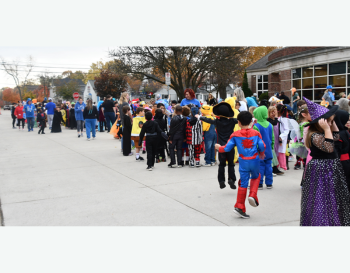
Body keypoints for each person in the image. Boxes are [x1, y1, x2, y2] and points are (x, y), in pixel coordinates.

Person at [301, 97, 350, 226]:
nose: (330, 123)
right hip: (321, 168)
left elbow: (336, 138)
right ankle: (322, 223)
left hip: (330, 167)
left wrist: (333, 126)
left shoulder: (324, 132)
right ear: (320, 123)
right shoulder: (315, 135)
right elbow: (329, 148)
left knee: (332, 197)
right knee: (322, 198)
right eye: (328, 121)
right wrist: (328, 129)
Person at [215, 111, 266, 219]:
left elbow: (227, 148)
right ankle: (252, 194)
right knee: (256, 177)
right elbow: (262, 146)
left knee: (243, 183)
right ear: (251, 121)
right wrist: (260, 152)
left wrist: (218, 147)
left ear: (238, 122)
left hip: (243, 161)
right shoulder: (256, 133)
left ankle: (240, 206)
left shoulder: (235, 135)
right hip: (255, 160)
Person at [196, 102, 238, 189]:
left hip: (221, 146)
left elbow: (208, 120)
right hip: (230, 145)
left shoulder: (217, 122)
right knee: (231, 164)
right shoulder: (232, 121)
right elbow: (241, 119)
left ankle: (221, 180)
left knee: (222, 164)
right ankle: (231, 179)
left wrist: (200, 117)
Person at [253, 106, 274, 189]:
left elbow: (255, 139)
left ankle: (260, 183)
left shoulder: (256, 126)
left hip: (259, 151)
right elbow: (272, 138)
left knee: (260, 167)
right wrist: (271, 146)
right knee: (269, 167)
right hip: (268, 149)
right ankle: (269, 183)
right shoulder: (270, 125)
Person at [334, 110, 350, 192]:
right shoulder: (346, 132)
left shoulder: (338, 134)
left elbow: (337, 151)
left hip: (341, 162)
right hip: (347, 161)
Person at [267, 106, 284, 175]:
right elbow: (273, 124)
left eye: (275, 112)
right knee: (272, 152)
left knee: (276, 152)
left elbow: (279, 130)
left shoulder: (278, 121)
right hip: (271, 138)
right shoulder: (268, 120)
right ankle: (273, 168)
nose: (273, 114)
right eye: (272, 112)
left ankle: (275, 167)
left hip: (277, 138)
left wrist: (280, 139)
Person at [276, 104, 290, 170]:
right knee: (277, 150)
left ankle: (282, 165)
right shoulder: (279, 118)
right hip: (277, 136)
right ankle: (277, 164)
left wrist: (282, 136)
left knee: (281, 151)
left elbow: (287, 129)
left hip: (281, 137)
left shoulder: (283, 119)